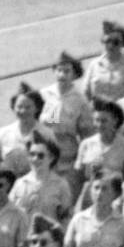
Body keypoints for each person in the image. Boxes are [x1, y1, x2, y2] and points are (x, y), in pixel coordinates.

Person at [40, 51, 94, 195]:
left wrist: (86, 161)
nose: (62, 75)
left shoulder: (80, 100)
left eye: (67, 71)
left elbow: (87, 134)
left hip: (68, 159)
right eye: (59, 70)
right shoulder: (44, 95)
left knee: (66, 198)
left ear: (74, 74)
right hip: (44, 158)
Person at [75, 97, 124, 210]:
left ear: (115, 121)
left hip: (115, 200)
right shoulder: (86, 144)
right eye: (96, 120)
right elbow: (78, 177)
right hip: (90, 199)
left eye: (104, 121)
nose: (99, 125)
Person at [0, 82, 54, 178]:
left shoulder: (47, 134)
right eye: (19, 107)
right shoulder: (4, 133)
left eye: (28, 107)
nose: (23, 111)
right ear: (13, 108)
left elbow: (54, 165)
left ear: (37, 108)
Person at [10, 131, 73, 225]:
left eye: (40, 156)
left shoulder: (61, 185)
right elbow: (10, 214)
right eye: (32, 154)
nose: (35, 159)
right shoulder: (19, 183)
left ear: (51, 158)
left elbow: (66, 218)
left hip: (48, 233)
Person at [83, 21, 124, 104]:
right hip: (98, 110)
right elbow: (86, 92)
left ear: (123, 43)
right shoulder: (94, 65)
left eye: (116, 42)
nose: (111, 45)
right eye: (108, 41)